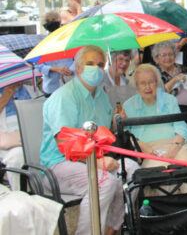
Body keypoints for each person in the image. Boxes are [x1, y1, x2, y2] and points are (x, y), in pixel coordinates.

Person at [40, 45, 139, 235]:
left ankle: (111, 229)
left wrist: (114, 123)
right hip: (59, 164)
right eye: (90, 63)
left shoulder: (102, 96)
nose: (96, 68)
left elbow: (102, 134)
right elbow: (64, 142)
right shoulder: (64, 97)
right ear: (78, 67)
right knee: (103, 182)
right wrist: (98, 162)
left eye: (100, 64)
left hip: (95, 159)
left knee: (132, 170)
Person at [123, 64, 187, 191]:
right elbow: (126, 133)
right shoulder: (129, 105)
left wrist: (173, 149)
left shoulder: (169, 100)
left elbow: (181, 127)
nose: (147, 87)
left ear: (157, 82)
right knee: (161, 174)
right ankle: (168, 208)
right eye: (143, 83)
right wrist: (141, 145)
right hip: (149, 149)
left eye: (151, 82)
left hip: (176, 144)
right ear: (137, 85)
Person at [36, 11, 75, 97]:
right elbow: (39, 66)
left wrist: (70, 70)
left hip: (70, 84)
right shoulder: (41, 43)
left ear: (59, 21)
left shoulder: (69, 40)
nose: (51, 22)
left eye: (53, 19)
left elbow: (77, 58)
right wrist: (54, 68)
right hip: (51, 87)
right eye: (47, 20)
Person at [0, 82, 30, 190]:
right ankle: (19, 194)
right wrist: (5, 97)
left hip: (30, 135)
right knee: (17, 156)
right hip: (7, 141)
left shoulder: (28, 89)